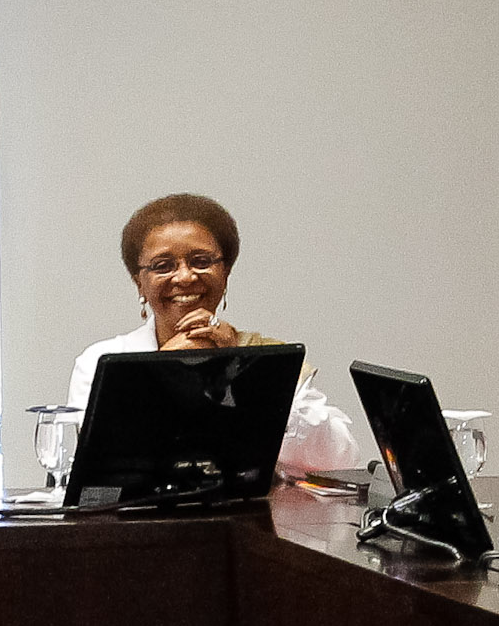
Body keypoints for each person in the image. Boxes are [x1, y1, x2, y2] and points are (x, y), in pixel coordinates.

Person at [67, 193, 365, 477]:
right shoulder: (101, 361)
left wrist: (243, 373)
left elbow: (340, 458)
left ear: (226, 272)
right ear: (139, 282)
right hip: (136, 526)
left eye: (201, 261)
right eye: (163, 266)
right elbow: (105, 463)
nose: (185, 277)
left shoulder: (262, 357)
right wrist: (163, 370)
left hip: (248, 526)